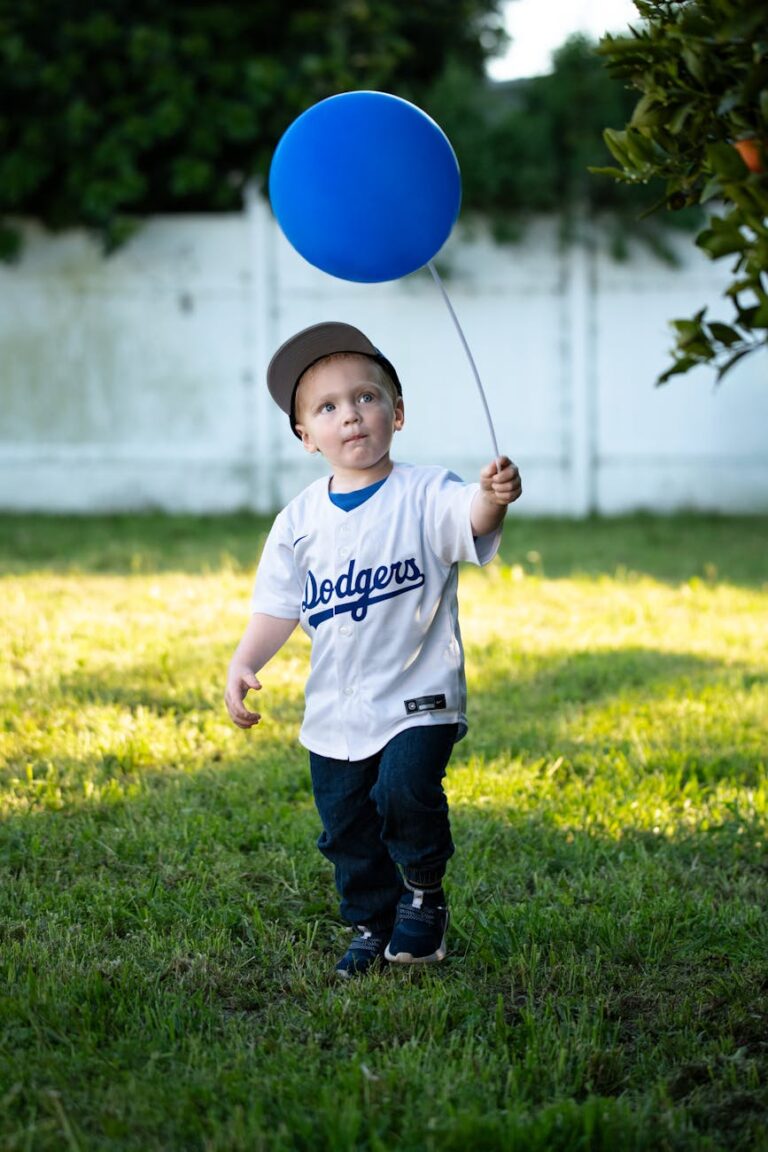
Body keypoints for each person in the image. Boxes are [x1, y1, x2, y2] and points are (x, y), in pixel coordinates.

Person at [225, 321, 522, 977]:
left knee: (403, 791)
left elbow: (468, 516)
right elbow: (278, 603)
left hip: (420, 692)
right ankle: (372, 920)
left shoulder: (424, 492)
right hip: (336, 706)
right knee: (346, 826)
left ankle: (421, 894)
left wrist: (492, 499)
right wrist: (246, 660)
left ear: (398, 412)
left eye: (366, 397)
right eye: (327, 407)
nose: (350, 415)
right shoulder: (298, 521)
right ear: (307, 437)